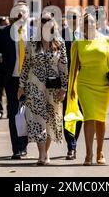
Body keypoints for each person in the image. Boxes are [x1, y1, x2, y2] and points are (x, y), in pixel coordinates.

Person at [65, 8, 109, 166]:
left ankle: (100, 152)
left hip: (103, 86)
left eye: (91, 22)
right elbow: (74, 68)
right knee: (89, 117)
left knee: (101, 120)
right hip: (85, 85)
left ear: (96, 24)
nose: (88, 24)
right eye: (85, 22)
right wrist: (72, 88)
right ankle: (88, 154)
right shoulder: (77, 43)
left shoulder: (107, 40)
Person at [18, 12, 68, 165]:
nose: (46, 22)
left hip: (54, 87)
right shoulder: (32, 42)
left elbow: (63, 66)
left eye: (49, 20)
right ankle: (42, 154)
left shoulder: (59, 42)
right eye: (44, 20)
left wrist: (64, 88)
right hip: (35, 86)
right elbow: (26, 65)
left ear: (54, 23)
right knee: (37, 119)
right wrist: (21, 86)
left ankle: (46, 152)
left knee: (51, 121)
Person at [0, 1, 30, 159]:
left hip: (31, 81)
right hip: (12, 80)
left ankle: (24, 144)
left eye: (24, 12)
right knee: (14, 113)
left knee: (29, 114)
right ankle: (17, 148)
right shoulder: (3, 33)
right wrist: (1, 75)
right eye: (18, 12)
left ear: (28, 15)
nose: (21, 15)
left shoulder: (36, 33)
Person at [61, 7, 83, 160]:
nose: (72, 20)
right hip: (66, 80)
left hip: (83, 80)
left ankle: (74, 140)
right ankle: (71, 146)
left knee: (80, 113)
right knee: (66, 113)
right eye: (70, 17)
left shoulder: (87, 35)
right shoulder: (60, 35)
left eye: (75, 17)